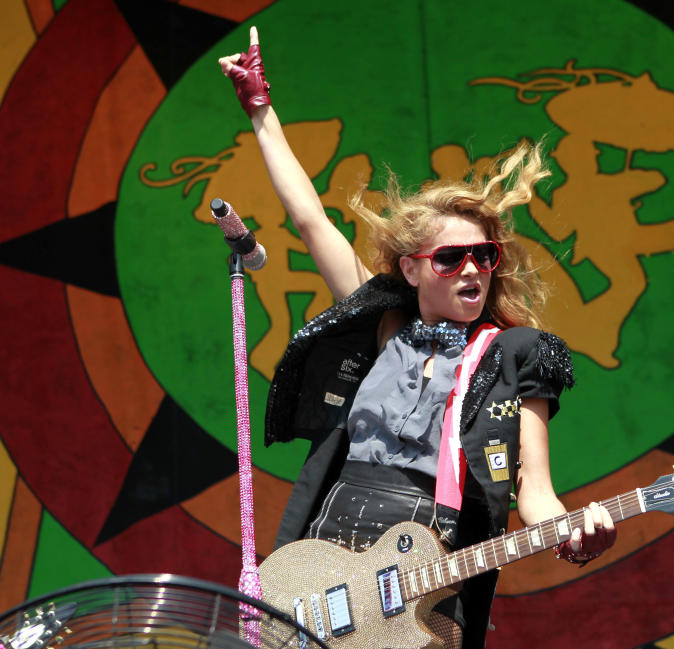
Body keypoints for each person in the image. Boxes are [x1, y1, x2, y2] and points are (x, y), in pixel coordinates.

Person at [219, 26, 617, 648]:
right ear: (411, 268)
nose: (472, 269)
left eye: (484, 256)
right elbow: (308, 218)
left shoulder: (517, 355)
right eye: (451, 257)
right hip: (325, 549)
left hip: (426, 569)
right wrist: (260, 110)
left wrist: (577, 536)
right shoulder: (385, 322)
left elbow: (535, 494)